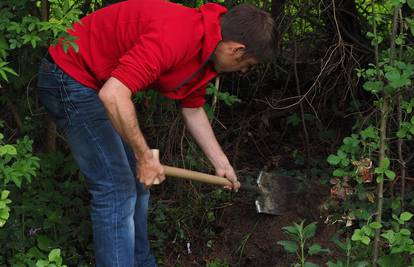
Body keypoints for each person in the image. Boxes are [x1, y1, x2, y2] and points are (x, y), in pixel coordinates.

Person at [37, 0, 275, 266]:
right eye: (247, 64)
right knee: (116, 189)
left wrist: (221, 164)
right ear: (236, 49)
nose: (243, 71)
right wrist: (144, 156)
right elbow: (114, 95)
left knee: (138, 183)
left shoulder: (205, 51)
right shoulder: (177, 35)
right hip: (68, 77)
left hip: (97, 86)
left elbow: (193, 108)